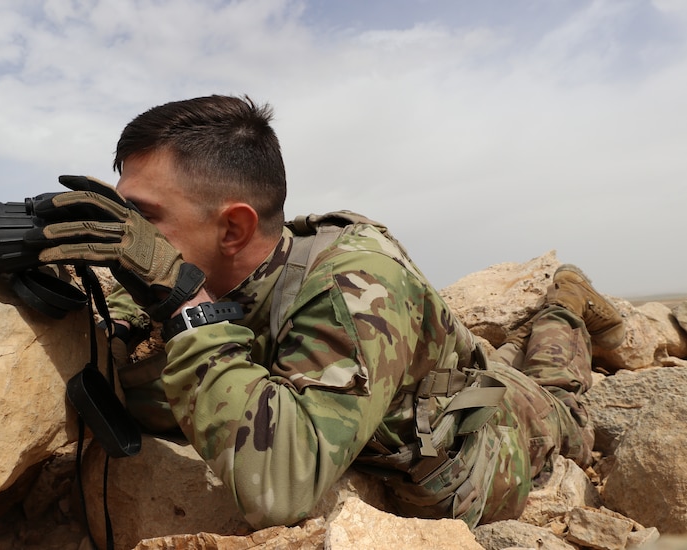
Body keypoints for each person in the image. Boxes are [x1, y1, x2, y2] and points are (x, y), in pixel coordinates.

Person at [32, 94, 625, 529]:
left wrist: (186, 308)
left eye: (146, 217)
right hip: (409, 380)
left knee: (564, 398)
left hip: (491, 438)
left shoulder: (352, 289)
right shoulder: (216, 266)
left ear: (233, 226)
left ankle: (568, 300)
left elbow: (281, 483)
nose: (131, 236)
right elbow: (128, 321)